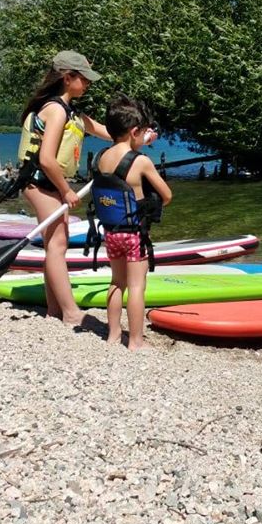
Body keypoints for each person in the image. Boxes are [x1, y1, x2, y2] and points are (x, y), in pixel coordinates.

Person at [17, 50, 111, 326]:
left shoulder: (71, 112)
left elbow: (106, 131)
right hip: (40, 183)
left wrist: (137, 136)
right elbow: (46, 159)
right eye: (85, 79)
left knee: (54, 245)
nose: (89, 84)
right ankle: (70, 313)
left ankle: (54, 309)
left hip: (48, 184)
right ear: (68, 78)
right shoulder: (56, 110)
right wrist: (66, 190)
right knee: (58, 245)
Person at [90, 96, 171, 348]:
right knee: (137, 286)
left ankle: (113, 334)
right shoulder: (141, 162)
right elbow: (167, 195)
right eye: (143, 132)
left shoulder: (101, 157)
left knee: (117, 282)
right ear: (134, 131)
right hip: (135, 235)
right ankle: (135, 340)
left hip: (111, 233)